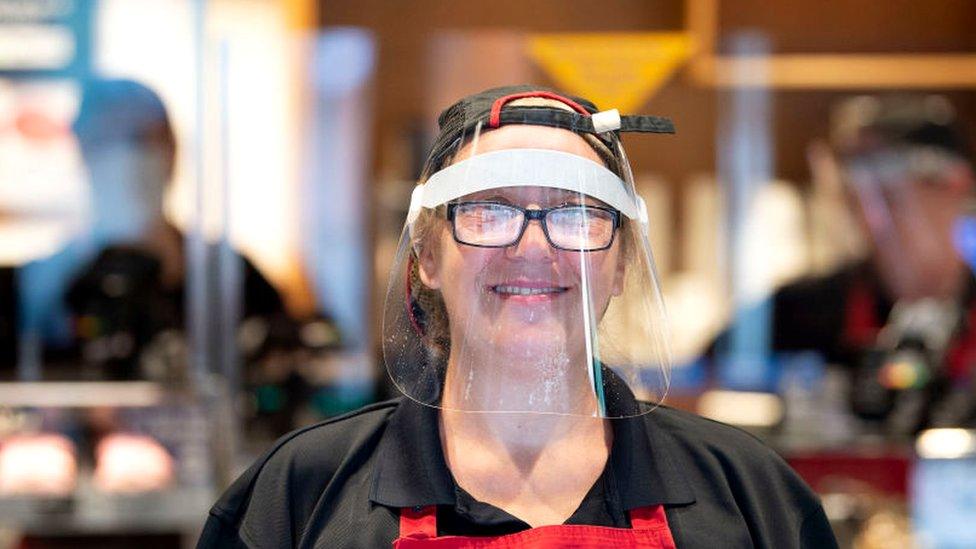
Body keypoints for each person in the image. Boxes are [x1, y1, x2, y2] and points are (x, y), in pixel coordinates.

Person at [197, 85, 837, 548]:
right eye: (490, 211)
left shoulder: (751, 499)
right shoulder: (302, 496)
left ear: (618, 264)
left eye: (576, 214)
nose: (533, 247)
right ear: (426, 255)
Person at [773, 95, 976, 434]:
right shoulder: (797, 313)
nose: (872, 219)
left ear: (955, 186)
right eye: (854, 197)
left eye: (892, 197)